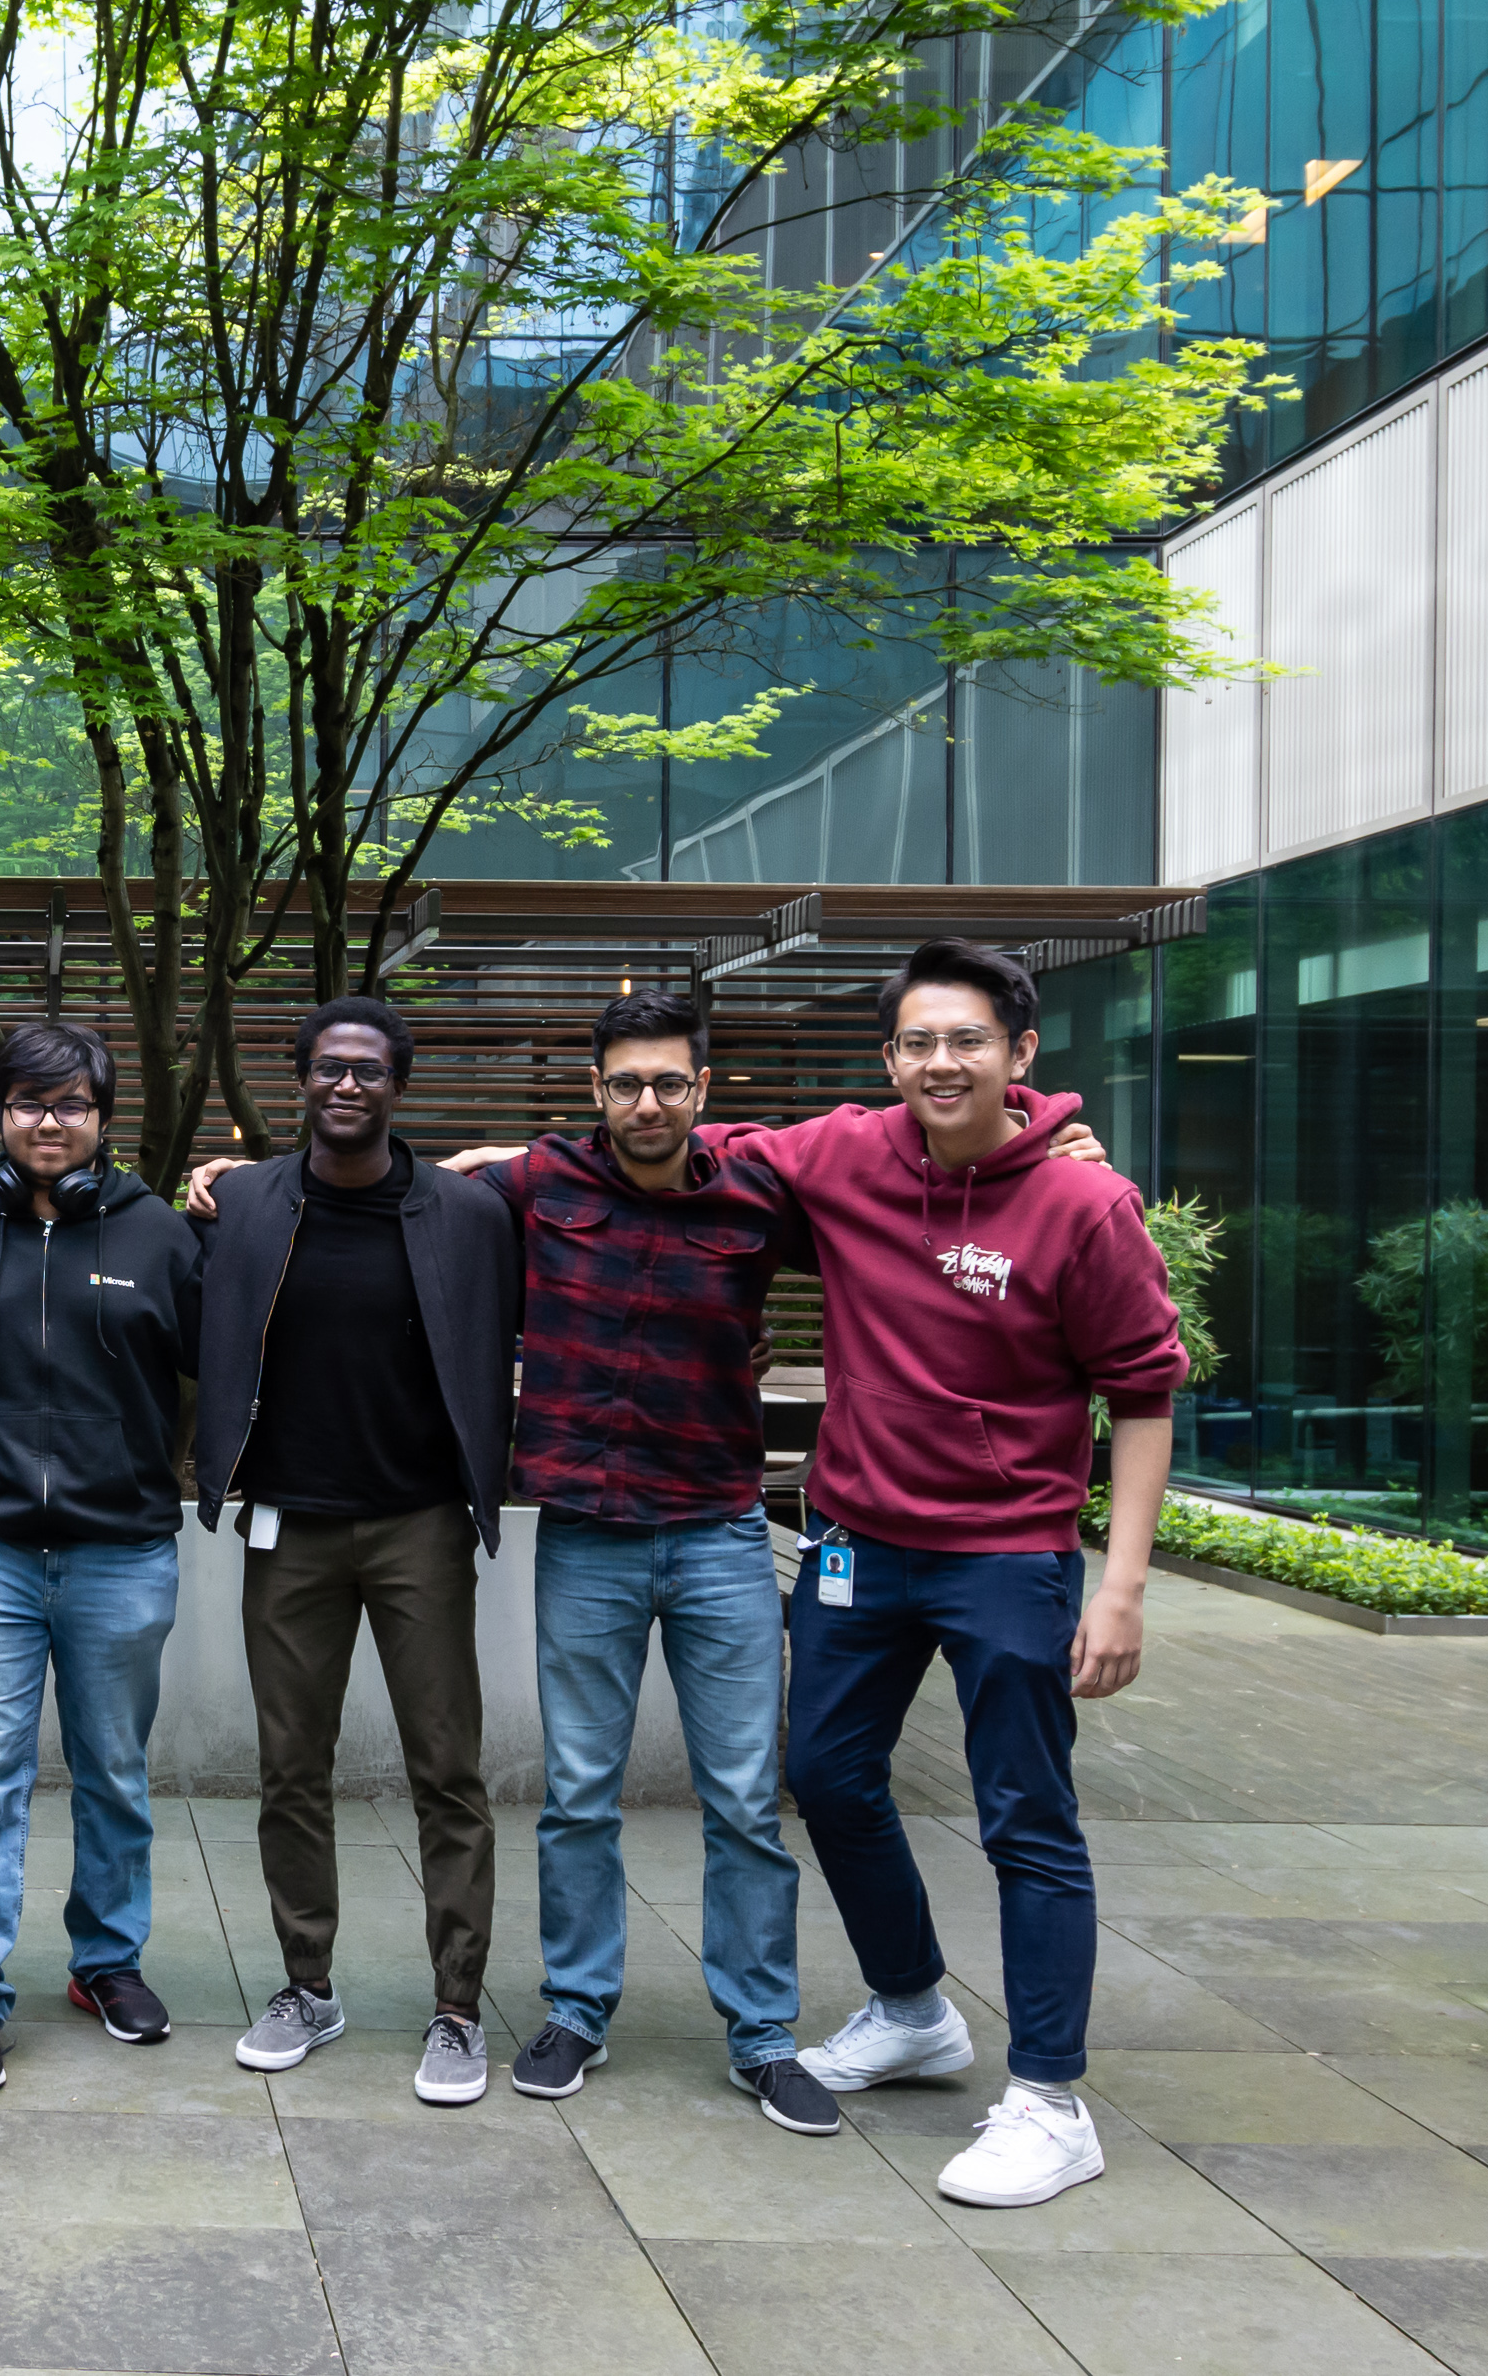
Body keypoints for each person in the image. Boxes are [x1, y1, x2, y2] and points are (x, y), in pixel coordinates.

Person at [753, 938, 1184, 2209]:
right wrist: (479, 1170)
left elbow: (1143, 1395)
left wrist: (1121, 1587)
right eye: (918, 1044)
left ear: (1019, 1052)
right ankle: (910, 2010)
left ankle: (1050, 2102)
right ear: (889, 1061)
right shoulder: (841, 1153)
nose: (943, 1063)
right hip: (854, 1536)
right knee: (824, 1774)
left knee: (1026, 1820)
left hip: (1006, 1551)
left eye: (967, 1040)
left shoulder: (1082, 1204)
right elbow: (673, 1149)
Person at [423, 990, 837, 2132]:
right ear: (593, 1092)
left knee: (748, 1798)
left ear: (703, 1091)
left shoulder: (762, 1193)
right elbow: (393, 1199)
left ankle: (761, 2034)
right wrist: (230, 1184)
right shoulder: (537, 1184)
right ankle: (577, 2010)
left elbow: (901, 1190)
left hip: (719, 1533)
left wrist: (1040, 1134)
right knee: (577, 1796)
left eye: (667, 1082)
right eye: (623, 1083)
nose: (644, 1102)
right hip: (590, 1539)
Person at [187, 998, 519, 2107]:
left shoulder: (465, 1215)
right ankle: (305, 1986)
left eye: (368, 1071)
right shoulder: (241, 1201)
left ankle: (457, 2009)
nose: (346, 1085)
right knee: (290, 1769)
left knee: (446, 1770)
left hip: (419, 1522)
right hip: (288, 1522)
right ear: (300, 1079)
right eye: (327, 1067)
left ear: (397, 1086)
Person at [0, 1021, 205, 2093]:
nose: (47, 1122)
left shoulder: (159, 1236)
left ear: (102, 1119)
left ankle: (105, 1962)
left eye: (70, 1104)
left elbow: (223, 1360)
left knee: (114, 1774)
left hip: (121, 1550)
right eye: (28, 1103)